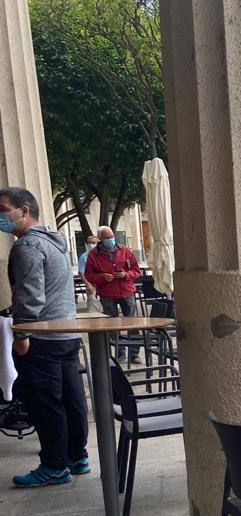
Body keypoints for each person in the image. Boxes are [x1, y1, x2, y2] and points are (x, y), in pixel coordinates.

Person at [2, 186, 90, 487]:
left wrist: (22, 332)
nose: (1, 217)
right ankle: (76, 456)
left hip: (42, 336)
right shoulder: (56, 241)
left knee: (45, 401)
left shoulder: (27, 247)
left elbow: (30, 295)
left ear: (24, 210)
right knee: (70, 397)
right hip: (65, 332)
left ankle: (54, 465)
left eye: (3, 209)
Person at [83, 225, 142, 362]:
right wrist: (102, 277)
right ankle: (120, 352)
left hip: (127, 291)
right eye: (107, 238)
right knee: (112, 325)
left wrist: (126, 275)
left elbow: (136, 271)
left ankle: (134, 354)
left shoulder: (125, 250)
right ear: (100, 240)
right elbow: (89, 275)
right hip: (107, 293)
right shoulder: (93, 255)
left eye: (111, 236)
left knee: (133, 323)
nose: (110, 240)